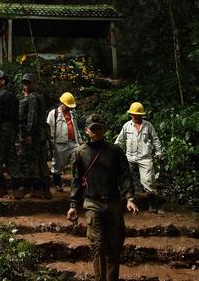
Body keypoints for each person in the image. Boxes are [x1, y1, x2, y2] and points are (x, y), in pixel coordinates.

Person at [68, 114, 138, 281]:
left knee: (114, 246)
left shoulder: (115, 151)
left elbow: (125, 175)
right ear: (86, 131)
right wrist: (73, 205)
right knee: (97, 245)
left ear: (104, 130)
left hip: (113, 203)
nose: (96, 132)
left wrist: (129, 198)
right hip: (92, 202)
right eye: (93, 129)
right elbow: (76, 181)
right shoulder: (80, 153)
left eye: (99, 128)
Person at [114, 102, 163, 212]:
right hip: (130, 157)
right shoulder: (127, 126)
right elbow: (119, 141)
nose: (135, 117)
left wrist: (159, 152)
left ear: (142, 115)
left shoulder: (148, 126)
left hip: (145, 157)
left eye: (138, 115)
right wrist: (114, 153)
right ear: (131, 114)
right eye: (133, 114)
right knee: (125, 177)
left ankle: (152, 203)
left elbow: (155, 140)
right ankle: (127, 200)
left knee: (149, 180)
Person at [0, 70, 24, 199]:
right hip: (11, 130)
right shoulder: (14, 96)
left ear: (3, 81)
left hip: (0, 131)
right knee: (11, 157)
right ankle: (18, 188)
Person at [18, 73, 51, 199]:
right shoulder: (38, 97)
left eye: (28, 83)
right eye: (25, 83)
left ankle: (37, 189)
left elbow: (32, 115)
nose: (26, 86)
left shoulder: (32, 97)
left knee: (33, 161)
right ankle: (45, 189)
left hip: (35, 134)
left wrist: (28, 133)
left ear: (34, 84)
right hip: (40, 133)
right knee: (41, 160)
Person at [47, 92, 83, 191]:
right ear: (62, 103)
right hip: (60, 143)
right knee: (58, 164)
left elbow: (76, 128)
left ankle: (77, 183)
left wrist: (80, 140)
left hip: (73, 142)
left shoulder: (72, 114)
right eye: (68, 106)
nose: (70, 108)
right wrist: (51, 143)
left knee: (78, 161)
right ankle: (58, 184)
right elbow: (50, 129)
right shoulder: (53, 114)